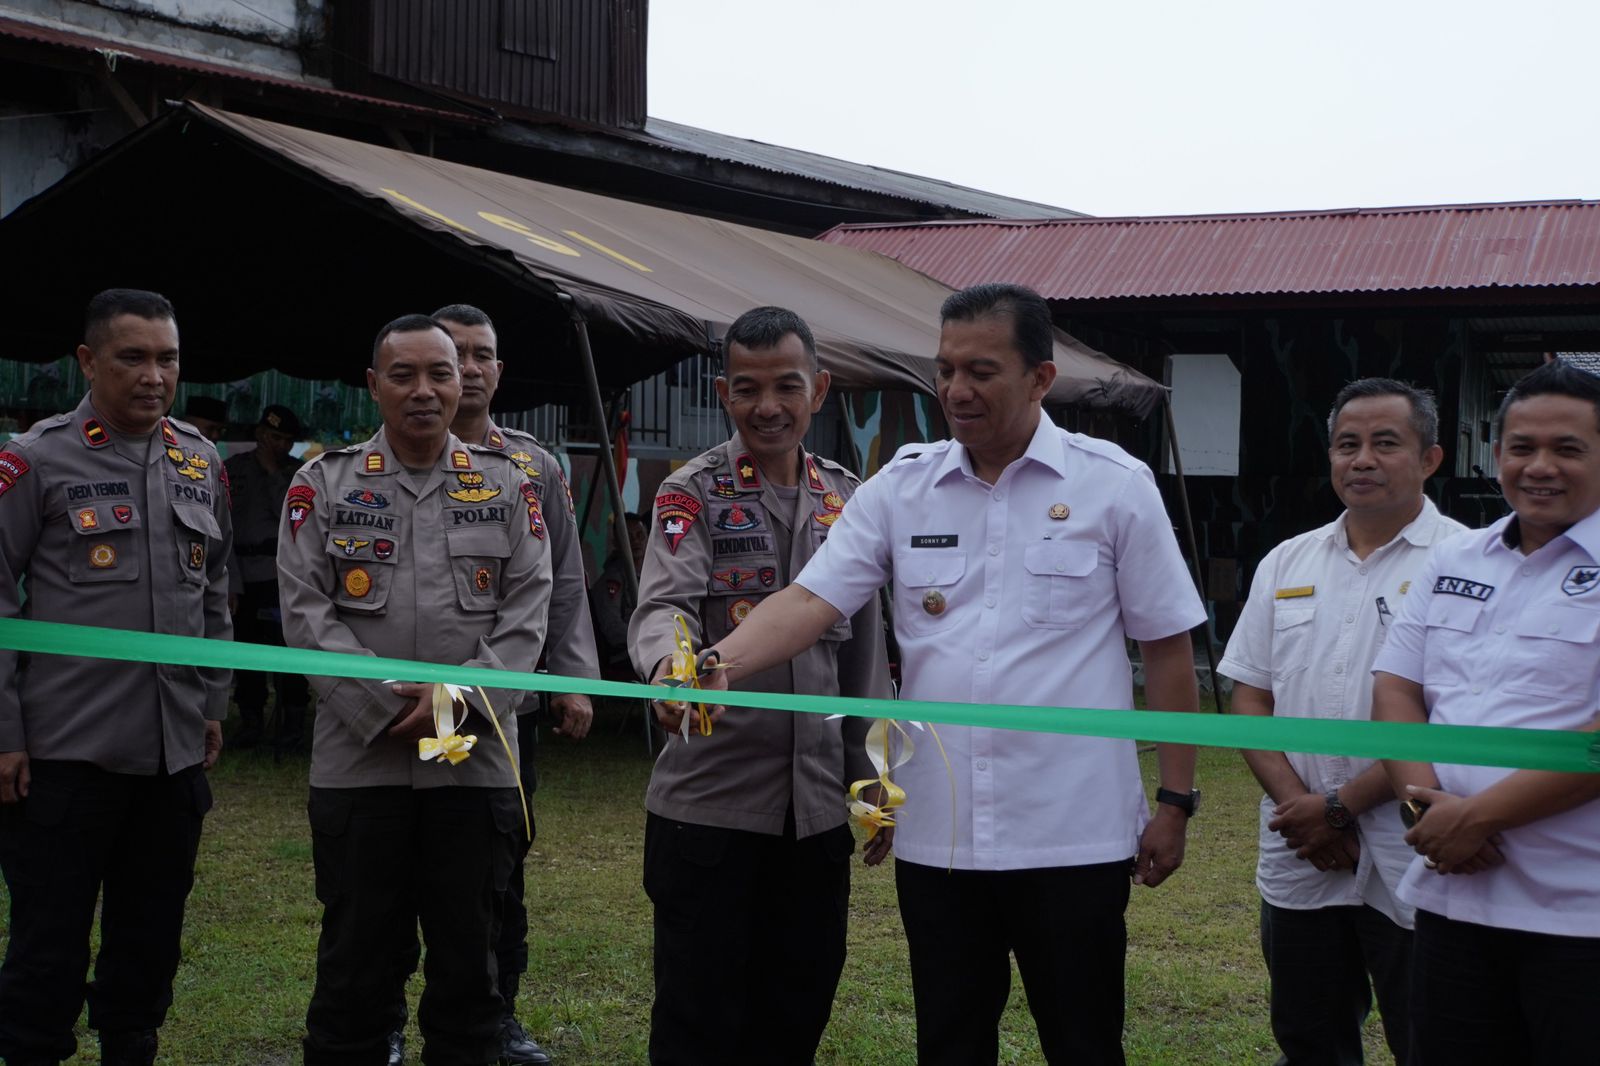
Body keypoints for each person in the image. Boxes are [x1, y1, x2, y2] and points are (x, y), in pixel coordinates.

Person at [701, 284, 1206, 1065]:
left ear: (1040, 378)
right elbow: (809, 598)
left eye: (981, 371)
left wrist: (1175, 799)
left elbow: (1168, 648)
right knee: (950, 1041)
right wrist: (713, 666)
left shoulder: (1113, 485)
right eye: (944, 370)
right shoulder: (902, 488)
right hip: (942, 836)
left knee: (1083, 1040)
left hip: (1071, 832)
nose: (957, 391)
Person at [278, 315, 553, 1066]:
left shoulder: (508, 486)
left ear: (464, 382)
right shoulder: (322, 483)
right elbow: (306, 613)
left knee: (473, 972)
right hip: (358, 764)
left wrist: (458, 701)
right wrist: (377, 705)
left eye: (442, 373)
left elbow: (529, 612)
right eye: (404, 375)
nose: (425, 390)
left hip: (472, 765)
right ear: (374, 386)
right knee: (354, 969)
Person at [628, 306, 892, 1066]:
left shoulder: (851, 502)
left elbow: (865, 660)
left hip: (813, 819)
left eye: (786, 386)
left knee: (797, 1009)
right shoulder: (691, 493)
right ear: (723, 392)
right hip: (709, 809)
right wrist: (672, 675)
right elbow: (664, 607)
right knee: (697, 1019)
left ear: (821, 389)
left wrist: (871, 779)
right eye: (747, 389)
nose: (767, 406)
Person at [0, 288, 232, 1066]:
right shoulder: (34, 459)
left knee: (149, 938)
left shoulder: (200, 460)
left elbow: (216, 595)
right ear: (88, 361)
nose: (153, 376)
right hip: (65, 755)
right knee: (47, 944)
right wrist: (5, 735)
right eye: (133, 357)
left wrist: (211, 703)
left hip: (169, 756)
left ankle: (131, 1045)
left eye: (167, 358)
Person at [1220, 378, 1464, 1065]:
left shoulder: (1466, 563)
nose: (1362, 459)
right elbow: (1249, 698)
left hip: (1414, 840)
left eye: (1386, 443)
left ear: (1431, 458)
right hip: (1302, 847)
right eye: (1346, 445)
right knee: (1308, 1033)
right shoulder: (1287, 561)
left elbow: (1448, 717)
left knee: (1430, 1034)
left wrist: (1341, 806)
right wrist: (1303, 808)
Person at [1372, 360, 1600, 1063]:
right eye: (1522, 447)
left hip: (1581, 915)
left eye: (1569, 449)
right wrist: (1425, 808)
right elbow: (1396, 688)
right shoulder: (1454, 560)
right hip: (1453, 898)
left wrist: (1478, 818)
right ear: (1495, 454)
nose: (1540, 467)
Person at [428, 302, 601, 1066]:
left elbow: (566, 587)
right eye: (454, 354)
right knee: (398, 861)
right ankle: (392, 1017)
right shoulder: (385, 461)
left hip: (503, 712)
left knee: (500, 867)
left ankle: (497, 1018)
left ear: (500, 371)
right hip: (408, 708)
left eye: (482, 354)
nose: (469, 367)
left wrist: (574, 682)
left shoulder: (536, 468)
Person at [225, 404, 311, 752]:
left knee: (288, 651)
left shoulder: (298, 474)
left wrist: (275, 472)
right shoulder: (232, 470)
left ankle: (291, 725)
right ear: (260, 434)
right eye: (274, 437)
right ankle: (250, 721)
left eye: (287, 440)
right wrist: (229, 582)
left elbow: (294, 519)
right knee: (247, 651)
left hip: (282, 574)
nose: (280, 445)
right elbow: (221, 527)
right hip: (244, 574)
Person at [590, 512, 646, 674]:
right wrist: (646, 640)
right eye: (628, 537)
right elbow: (612, 628)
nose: (635, 541)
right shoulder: (612, 580)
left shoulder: (653, 575)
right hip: (625, 657)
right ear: (616, 542)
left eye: (640, 535)